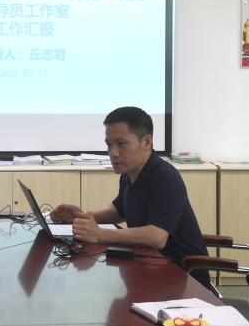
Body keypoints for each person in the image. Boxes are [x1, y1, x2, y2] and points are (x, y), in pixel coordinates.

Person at [49, 106, 210, 286]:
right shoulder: (129, 174)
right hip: (149, 267)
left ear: (147, 142)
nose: (113, 153)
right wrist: (82, 216)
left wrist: (100, 234)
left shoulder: (165, 177)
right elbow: (119, 210)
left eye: (121, 144)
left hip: (183, 279)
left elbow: (157, 236)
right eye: (109, 145)